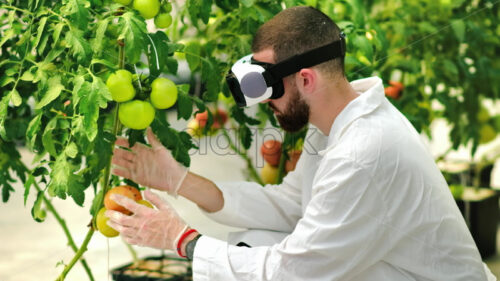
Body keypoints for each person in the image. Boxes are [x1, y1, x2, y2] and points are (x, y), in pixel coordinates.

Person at [106, 6, 496, 281]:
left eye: (269, 89)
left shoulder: (363, 152)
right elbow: (292, 206)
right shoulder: (332, 125)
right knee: (251, 241)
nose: (268, 105)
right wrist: (179, 180)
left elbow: (295, 273)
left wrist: (180, 240)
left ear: (306, 79)